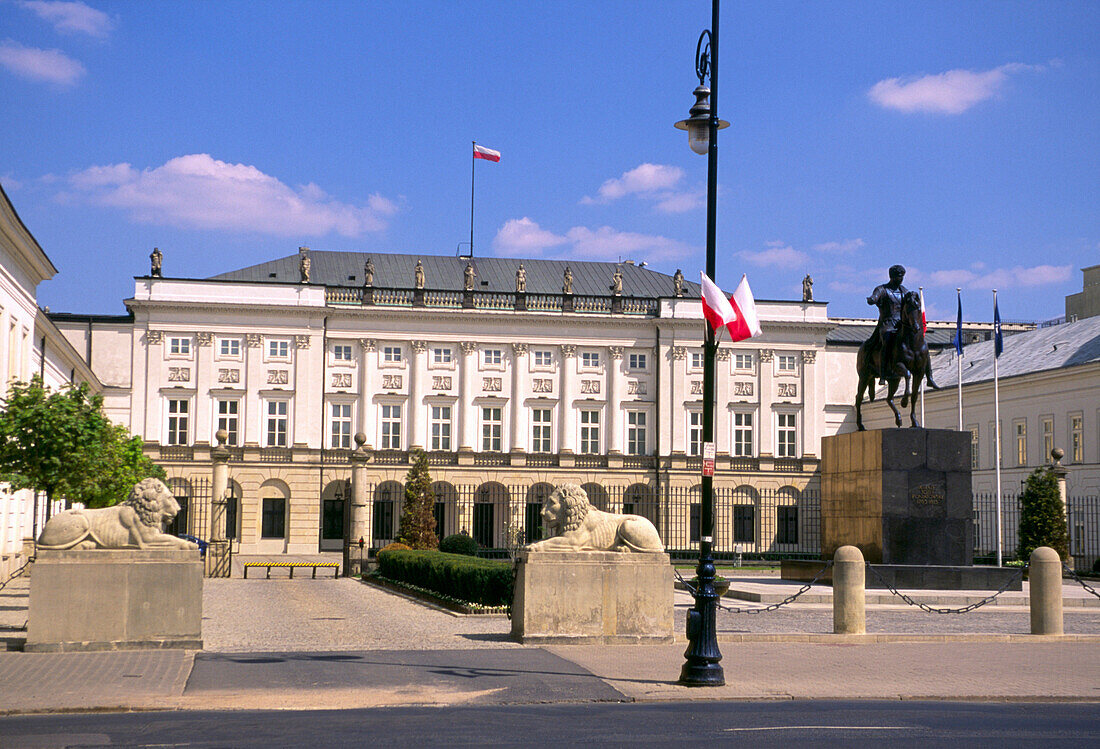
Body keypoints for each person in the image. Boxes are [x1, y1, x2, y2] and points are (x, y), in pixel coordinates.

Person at [867, 264, 909, 380]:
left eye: (902, 276)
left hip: (901, 324)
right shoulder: (882, 289)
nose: (901, 279)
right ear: (892, 276)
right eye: (899, 276)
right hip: (887, 324)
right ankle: (883, 372)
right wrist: (872, 299)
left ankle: (927, 373)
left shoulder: (904, 291)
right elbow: (874, 297)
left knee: (918, 339)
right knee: (887, 339)